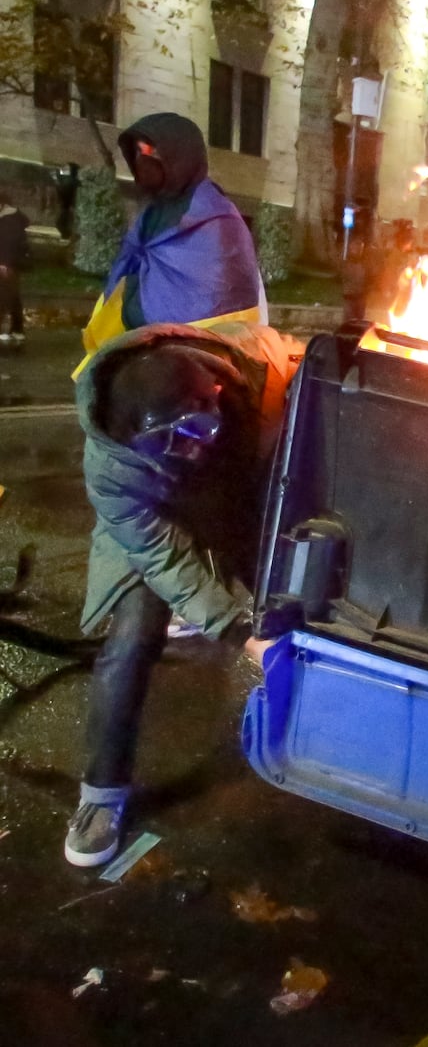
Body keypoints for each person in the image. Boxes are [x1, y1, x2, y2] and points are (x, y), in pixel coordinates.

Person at [65, 321, 295, 867]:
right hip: (156, 522)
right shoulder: (112, 463)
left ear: (214, 393)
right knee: (132, 638)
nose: (184, 451)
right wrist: (241, 633)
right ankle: (101, 794)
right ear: (129, 436)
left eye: (195, 430)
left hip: (235, 496)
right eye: (162, 441)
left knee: (286, 590)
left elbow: (294, 358)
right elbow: (163, 557)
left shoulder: (256, 371)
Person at [76, 113, 266, 376]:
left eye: (149, 150)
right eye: (137, 151)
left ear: (180, 154)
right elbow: (134, 266)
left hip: (194, 369)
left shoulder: (218, 220)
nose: (142, 159)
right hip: (138, 357)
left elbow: (217, 300)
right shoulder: (152, 212)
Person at [0, 192, 29, 348]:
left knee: (6, 297)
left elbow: (9, 244)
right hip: (10, 265)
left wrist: (5, 263)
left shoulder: (9, 220)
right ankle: (17, 329)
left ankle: (15, 329)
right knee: (13, 297)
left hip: (7, 265)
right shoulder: (11, 218)